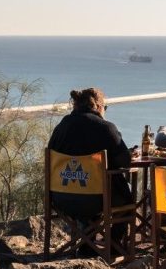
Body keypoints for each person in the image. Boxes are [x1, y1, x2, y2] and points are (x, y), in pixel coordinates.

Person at [47, 87, 133, 252]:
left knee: (90, 190)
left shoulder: (61, 127)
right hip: (96, 200)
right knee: (124, 199)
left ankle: (87, 246)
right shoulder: (105, 128)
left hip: (61, 198)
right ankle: (114, 247)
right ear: (99, 106)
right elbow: (125, 161)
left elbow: (52, 157)